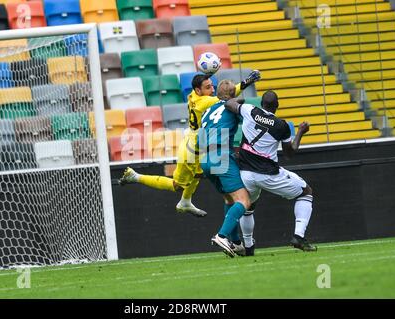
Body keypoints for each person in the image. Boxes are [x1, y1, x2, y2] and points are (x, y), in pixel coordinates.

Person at [119, 71, 260, 217]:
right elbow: (227, 95)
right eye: (208, 87)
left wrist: (208, 74)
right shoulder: (203, 102)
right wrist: (246, 82)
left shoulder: (192, 95)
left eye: (212, 86)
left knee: (198, 174)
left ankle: (186, 201)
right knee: (177, 185)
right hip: (192, 148)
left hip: (200, 141)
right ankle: (135, 176)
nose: (212, 90)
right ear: (198, 90)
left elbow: (213, 91)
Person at [224, 90, 317, 251]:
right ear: (277, 106)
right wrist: (301, 132)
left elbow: (229, 103)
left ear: (261, 103)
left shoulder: (250, 110)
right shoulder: (282, 126)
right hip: (269, 174)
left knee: (248, 207)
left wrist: (240, 98)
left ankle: (248, 245)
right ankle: (298, 236)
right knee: (305, 191)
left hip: (245, 173)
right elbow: (290, 153)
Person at [198, 79, 261, 257]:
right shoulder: (231, 106)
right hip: (222, 155)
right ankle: (222, 235)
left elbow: (200, 141)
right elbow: (249, 124)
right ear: (233, 95)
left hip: (206, 158)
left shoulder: (206, 111)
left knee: (229, 200)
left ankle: (235, 243)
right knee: (244, 201)